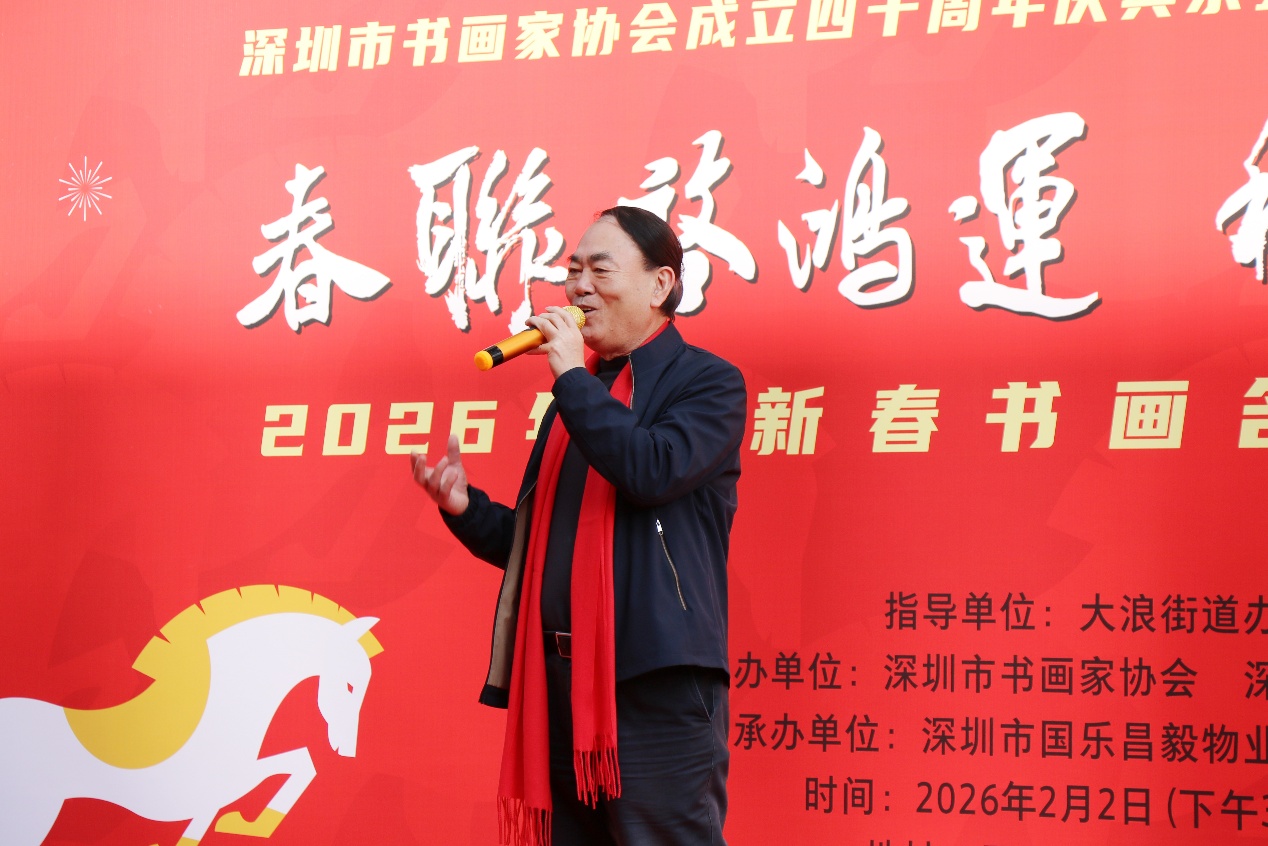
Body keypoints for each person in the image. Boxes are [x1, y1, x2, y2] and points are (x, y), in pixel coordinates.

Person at [411, 206, 746, 846]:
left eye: (600, 270)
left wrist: (570, 377)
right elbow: (539, 548)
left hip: (654, 681)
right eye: (572, 272)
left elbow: (651, 471)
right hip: (562, 683)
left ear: (660, 284)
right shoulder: (579, 399)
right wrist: (464, 507)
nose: (579, 288)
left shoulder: (707, 383)